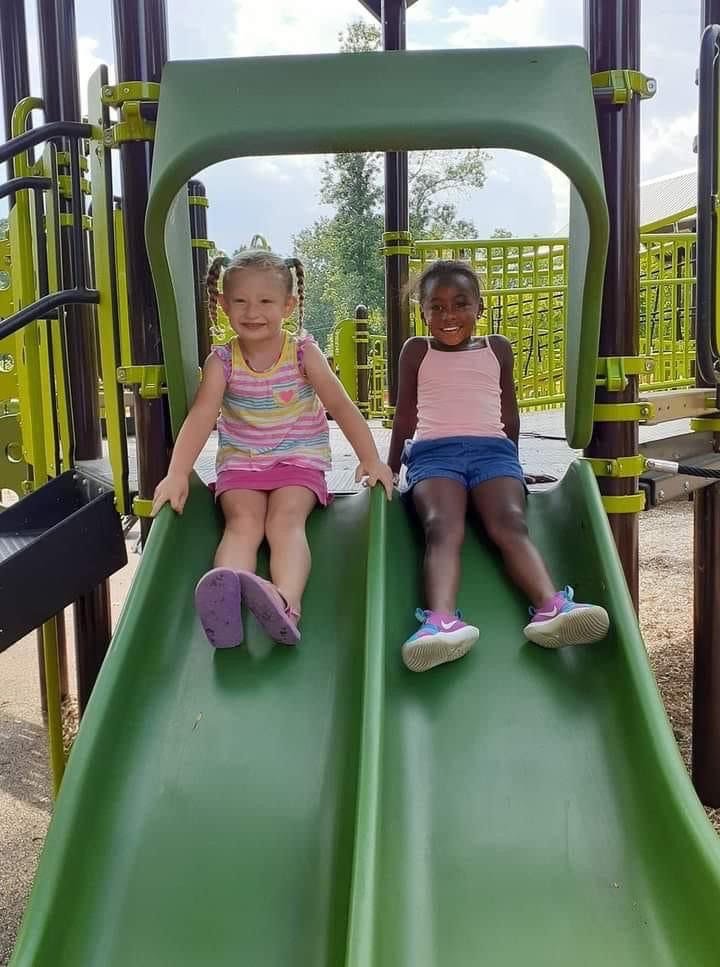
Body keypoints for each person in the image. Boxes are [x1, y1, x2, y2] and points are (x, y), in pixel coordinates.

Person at [152, 249, 393, 648]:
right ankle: (227, 602)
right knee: (242, 523)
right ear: (223, 304)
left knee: (284, 521)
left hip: (298, 460)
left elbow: (339, 404)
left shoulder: (302, 353)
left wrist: (371, 458)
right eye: (241, 301)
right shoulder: (222, 362)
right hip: (242, 466)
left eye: (265, 301)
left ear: (288, 305)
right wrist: (178, 472)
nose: (252, 311)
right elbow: (200, 416)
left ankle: (285, 603)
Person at [388, 259, 609, 673]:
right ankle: (440, 622)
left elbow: (510, 414)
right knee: (442, 526)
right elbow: (404, 415)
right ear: (422, 313)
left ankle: (551, 608)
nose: (448, 315)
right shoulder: (416, 351)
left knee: (509, 522)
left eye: (460, 303)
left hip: (493, 453)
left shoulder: (498, 348)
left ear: (479, 307)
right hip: (434, 455)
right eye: (435, 307)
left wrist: (514, 461)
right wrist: (391, 469)